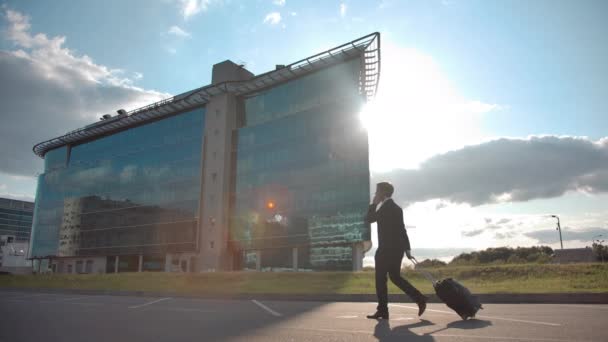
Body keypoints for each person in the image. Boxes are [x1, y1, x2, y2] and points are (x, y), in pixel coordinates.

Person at [365, 182, 427, 320]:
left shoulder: (384, 208)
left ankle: (383, 310)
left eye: (377, 192)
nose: (375, 194)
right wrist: (407, 249)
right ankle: (420, 298)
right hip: (397, 249)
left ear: (383, 193)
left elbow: (369, 219)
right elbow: (402, 229)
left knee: (380, 280)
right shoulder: (397, 208)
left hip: (385, 250)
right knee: (395, 277)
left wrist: (373, 204)